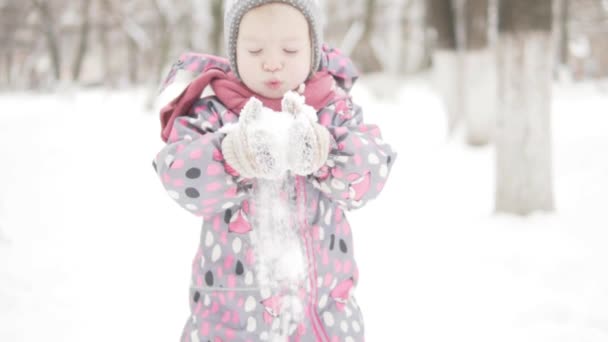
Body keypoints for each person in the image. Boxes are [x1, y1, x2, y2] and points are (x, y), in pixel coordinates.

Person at [152, 1, 397, 341]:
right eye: (254, 50)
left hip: (324, 319)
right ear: (234, 52)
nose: (271, 62)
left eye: (290, 49)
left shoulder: (332, 110)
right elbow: (179, 176)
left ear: (312, 49)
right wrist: (230, 155)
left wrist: (328, 151)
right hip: (232, 323)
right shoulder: (215, 115)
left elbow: (370, 174)